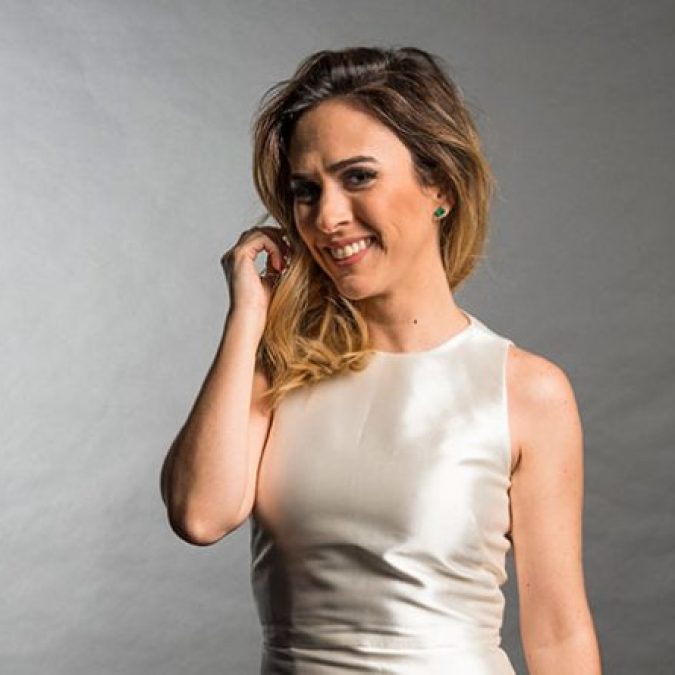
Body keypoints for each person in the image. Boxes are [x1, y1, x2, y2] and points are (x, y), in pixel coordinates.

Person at [160, 46, 602, 674]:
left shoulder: (528, 391)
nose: (328, 217)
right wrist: (248, 318)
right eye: (306, 191)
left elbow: (558, 633)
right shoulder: (279, 369)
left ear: (438, 186)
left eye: (358, 177)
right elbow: (201, 515)